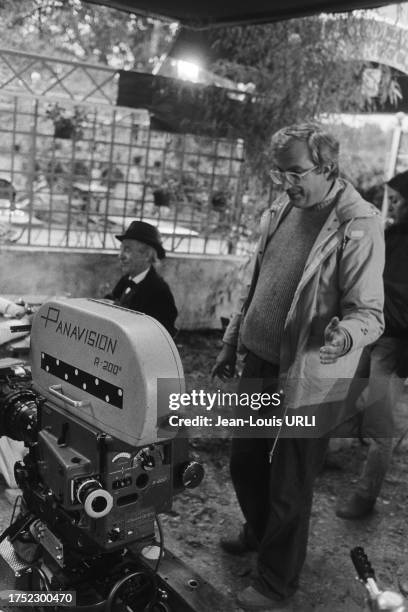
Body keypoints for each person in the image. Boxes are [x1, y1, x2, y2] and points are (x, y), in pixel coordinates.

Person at [212, 123, 385, 611]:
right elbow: (257, 285)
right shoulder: (283, 208)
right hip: (260, 361)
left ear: (327, 168)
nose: (285, 182)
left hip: (313, 374)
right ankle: (258, 531)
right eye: (280, 172)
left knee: (289, 483)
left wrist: (345, 335)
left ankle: (276, 582)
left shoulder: (358, 224)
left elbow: (370, 313)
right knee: (245, 464)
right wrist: (231, 343)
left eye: (294, 172)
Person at [335, 170, 408, 520]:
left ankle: (366, 498)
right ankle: (324, 457)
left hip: (394, 347)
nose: (390, 206)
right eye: (389, 199)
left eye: (396, 201)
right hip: (370, 335)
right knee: (341, 400)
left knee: (382, 428)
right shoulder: (390, 235)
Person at [105, 220, 178, 336]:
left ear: (146, 255)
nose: (120, 256)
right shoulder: (125, 281)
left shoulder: (159, 291)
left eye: (127, 249)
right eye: (121, 249)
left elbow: (163, 335)